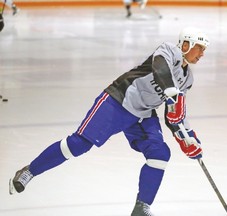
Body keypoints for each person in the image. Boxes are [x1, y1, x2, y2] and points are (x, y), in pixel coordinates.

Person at [9, 27, 209, 216]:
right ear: (185, 45)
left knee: (160, 153)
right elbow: (160, 69)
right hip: (119, 100)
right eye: (199, 47)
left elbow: (174, 114)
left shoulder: (187, 79)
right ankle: (29, 171)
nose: (202, 54)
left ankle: (142, 207)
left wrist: (186, 138)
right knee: (78, 145)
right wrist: (170, 90)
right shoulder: (168, 50)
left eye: (204, 50)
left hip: (144, 114)